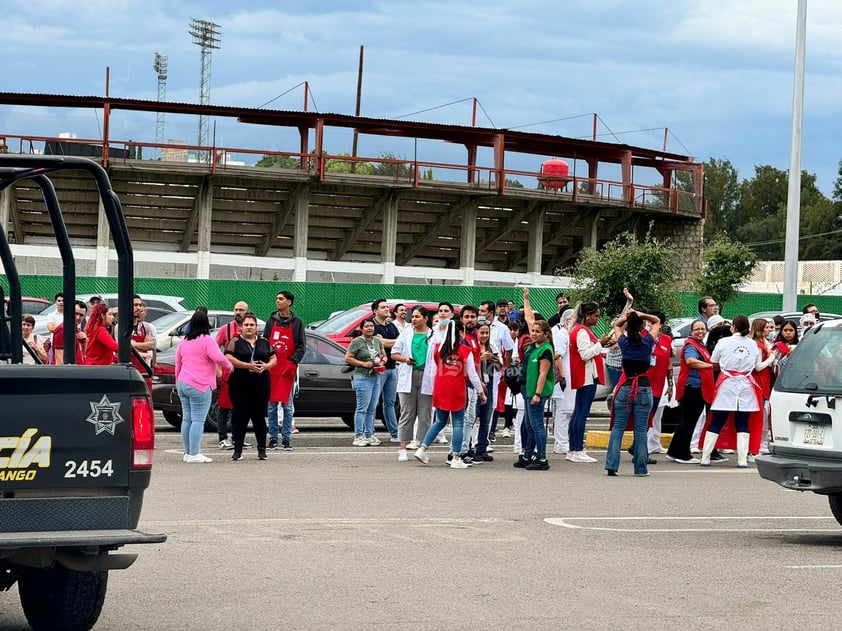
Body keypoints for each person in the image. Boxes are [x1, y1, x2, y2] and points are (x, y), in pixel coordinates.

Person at [413, 320, 486, 469]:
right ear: (460, 333)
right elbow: (472, 375)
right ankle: (456, 457)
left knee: (439, 421)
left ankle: (422, 449)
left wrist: (433, 388)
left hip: (440, 387)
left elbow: (433, 370)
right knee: (458, 423)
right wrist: (481, 392)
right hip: (456, 388)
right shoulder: (465, 350)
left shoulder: (439, 349)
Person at [700, 315, 761, 468]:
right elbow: (755, 364)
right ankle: (742, 460)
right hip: (746, 385)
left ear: (733, 326)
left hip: (726, 384)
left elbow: (714, 361)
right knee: (743, 422)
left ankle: (705, 457)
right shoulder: (753, 345)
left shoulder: (723, 342)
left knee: (717, 420)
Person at [604, 310, 660, 477]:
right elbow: (656, 321)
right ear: (642, 326)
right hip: (643, 387)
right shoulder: (648, 342)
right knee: (641, 430)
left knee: (618, 428)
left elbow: (616, 325)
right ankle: (641, 468)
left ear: (627, 327)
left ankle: (612, 465)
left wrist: (627, 317)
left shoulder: (623, 342)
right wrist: (641, 314)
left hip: (625, 387)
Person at [176, 310, 233, 464]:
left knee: (186, 419)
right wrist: (229, 366)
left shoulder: (184, 340)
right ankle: (195, 453)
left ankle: (187, 452)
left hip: (183, 382)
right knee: (198, 420)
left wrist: (178, 381)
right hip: (200, 384)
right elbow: (218, 357)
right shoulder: (207, 340)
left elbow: (178, 363)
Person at [225, 313, 276, 461]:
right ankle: (237, 450)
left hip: (261, 383)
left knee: (259, 417)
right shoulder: (235, 341)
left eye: (251, 325)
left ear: (256, 327)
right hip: (240, 383)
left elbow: (274, 358)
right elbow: (228, 357)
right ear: (241, 327)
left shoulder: (264, 342)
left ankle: (262, 450)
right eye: (246, 325)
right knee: (241, 416)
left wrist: (266, 366)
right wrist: (248, 366)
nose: (249, 327)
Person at [567, 301, 613, 463]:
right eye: (595, 316)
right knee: (581, 412)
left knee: (578, 412)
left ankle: (573, 448)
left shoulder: (581, 330)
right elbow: (585, 354)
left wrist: (601, 345)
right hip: (586, 375)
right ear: (587, 316)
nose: (597, 319)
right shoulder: (582, 331)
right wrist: (599, 343)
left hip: (585, 375)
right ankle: (577, 449)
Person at [513, 287, 554, 470]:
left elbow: (543, 374)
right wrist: (526, 299)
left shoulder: (545, 350)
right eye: (533, 331)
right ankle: (528, 455)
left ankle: (542, 459)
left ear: (546, 334)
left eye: (538, 331)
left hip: (536, 392)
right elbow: (530, 319)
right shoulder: (535, 345)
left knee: (537, 425)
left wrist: (537, 394)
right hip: (528, 389)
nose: (534, 333)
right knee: (529, 425)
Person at [391, 306, 435, 461]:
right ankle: (403, 448)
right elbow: (394, 353)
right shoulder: (406, 334)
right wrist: (405, 360)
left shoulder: (434, 335)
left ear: (425, 318)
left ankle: (422, 446)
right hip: (408, 375)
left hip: (427, 376)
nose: (414, 319)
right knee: (407, 413)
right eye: (413, 317)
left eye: (417, 316)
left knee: (425, 414)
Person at [666, 320, 713, 464]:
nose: (700, 331)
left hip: (697, 387)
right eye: (697, 329)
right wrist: (711, 365)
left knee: (686, 421)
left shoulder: (700, 345)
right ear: (691, 331)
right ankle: (683, 453)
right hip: (692, 387)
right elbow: (690, 361)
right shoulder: (691, 346)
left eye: (702, 329)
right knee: (688, 421)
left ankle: (674, 451)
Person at [264, 291, 306, 451]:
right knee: (272, 405)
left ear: (289, 302)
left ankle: (286, 439)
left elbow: (302, 346)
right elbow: (265, 342)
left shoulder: (297, 322)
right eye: (276, 299)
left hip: (288, 369)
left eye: (281, 299)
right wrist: (268, 360)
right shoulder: (271, 320)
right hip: (273, 368)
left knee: (287, 406)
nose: (277, 301)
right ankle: (273, 438)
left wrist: (293, 361)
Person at [345, 318, 386, 446]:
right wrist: (364, 364)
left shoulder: (377, 341)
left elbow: (384, 355)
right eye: (367, 326)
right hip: (362, 377)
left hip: (376, 376)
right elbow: (348, 358)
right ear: (362, 329)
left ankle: (369, 434)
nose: (370, 328)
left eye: (371, 326)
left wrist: (382, 361)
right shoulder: (357, 342)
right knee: (362, 407)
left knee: (372, 408)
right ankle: (358, 435)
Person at [214, 301, 249, 449]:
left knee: (240, 408)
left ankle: (237, 438)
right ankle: (223, 438)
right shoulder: (225, 330)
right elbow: (214, 351)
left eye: (241, 310)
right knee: (224, 407)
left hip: (245, 374)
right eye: (236, 310)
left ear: (247, 312)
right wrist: (218, 371)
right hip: (229, 375)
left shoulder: (249, 329)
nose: (238, 312)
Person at [372, 299, 400, 442]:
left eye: (387, 307)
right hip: (380, 369)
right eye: (383, 307)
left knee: (390, 402)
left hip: (392, 368)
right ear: (375, 310)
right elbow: (379, 343)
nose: (387, 309)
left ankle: (395, 433)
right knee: (374, 401)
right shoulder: (372, 326)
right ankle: (369, 433)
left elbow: (401, 342)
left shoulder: (391, 326)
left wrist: (388, 342)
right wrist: (388, 342)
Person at [474, 320, 502, 462]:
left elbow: (498, 368)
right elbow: (469, 365)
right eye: (482, 332)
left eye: (487, 332)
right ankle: (467, 448)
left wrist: (496, 361)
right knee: (472, 418)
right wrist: (480, 358)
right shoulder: (473, 346)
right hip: (476, 385)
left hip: (489, 384)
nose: (484, 335)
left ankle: (482, 448)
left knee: (486, 419)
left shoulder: (492, 346)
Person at [550, 308, 574, 454]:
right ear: (566, 321)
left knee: (569, 410)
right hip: (564, 379)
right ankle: (560, 443)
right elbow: (557, 357)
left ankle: (564, 440)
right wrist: (563, 377)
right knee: (563, 411)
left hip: (572, 379)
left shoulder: (570, 335)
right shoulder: (561, 336)